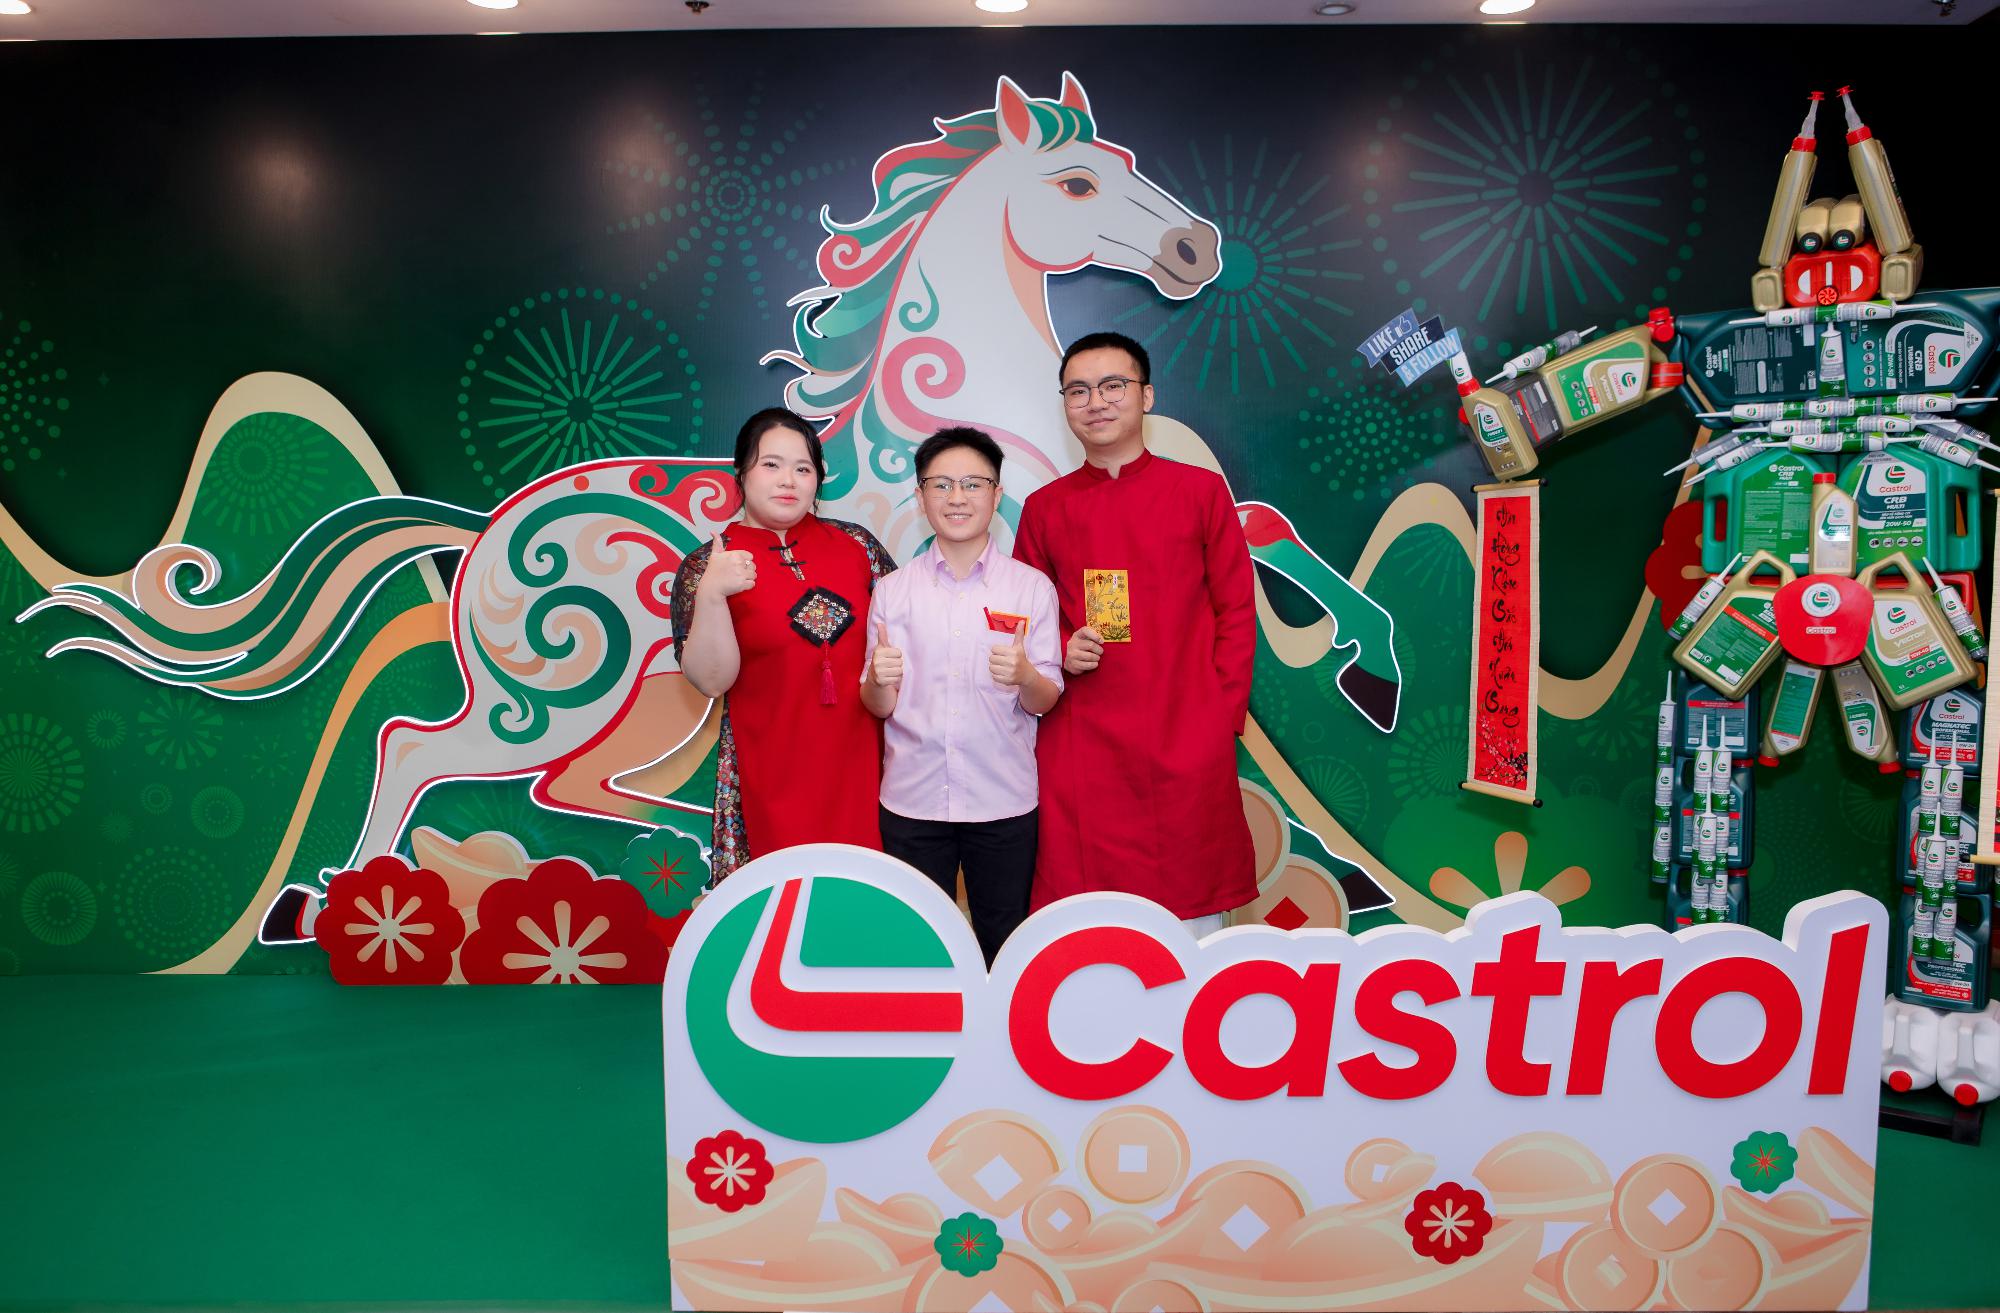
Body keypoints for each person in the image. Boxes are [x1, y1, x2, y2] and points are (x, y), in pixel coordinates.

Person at [1013, 331, 1257, 933]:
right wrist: (1061, 648)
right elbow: (1024, 620)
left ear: (1146, 396)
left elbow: (1235, 610)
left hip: (1185, 730)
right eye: (1078, 391)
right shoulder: (1045, 508)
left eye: (1112, 386)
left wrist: (1219, 715)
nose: (1095, 402)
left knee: (1191, 915)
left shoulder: (1199, 491)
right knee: (1087, 922)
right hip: (1083, 741)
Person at [862, 427, 1063, 963]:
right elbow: (878, 705)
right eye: (942, 484)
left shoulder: (1031, 588)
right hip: (912, 801)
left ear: (997, 495)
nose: (957, 497)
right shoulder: (893, 590)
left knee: (1005, 941)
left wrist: (1026, 675)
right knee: (918, 948)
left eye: (973, 484)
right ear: (920, 495)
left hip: (1003, 801)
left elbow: (1045, 700)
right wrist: (877, 681)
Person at [672, 407, 895, 881]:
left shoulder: (858, 546)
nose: (788, 480)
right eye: (771, 464)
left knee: (869, 901)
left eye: (803, 468)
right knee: (783, 907)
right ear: (741, 473)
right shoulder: (707, 564)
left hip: (867, 768)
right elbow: (711, 681)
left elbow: (907, 636)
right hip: (770, 771)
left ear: (819, 480)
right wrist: (712, 594)